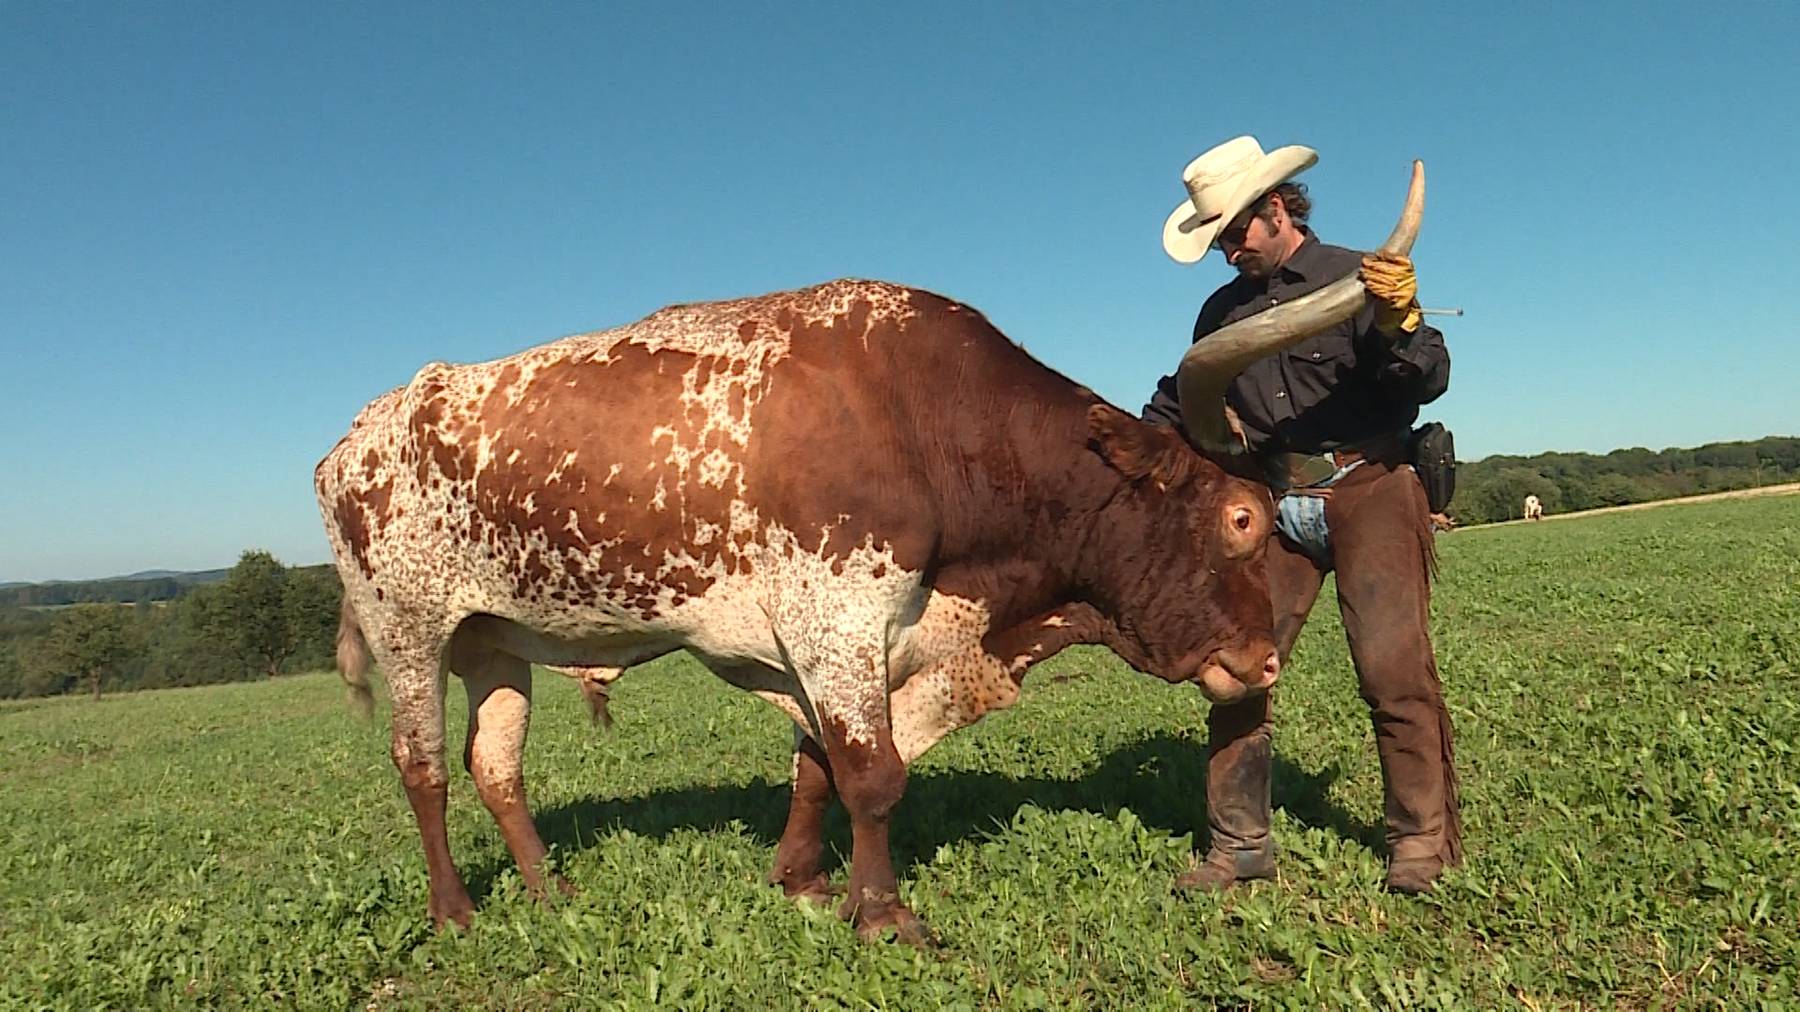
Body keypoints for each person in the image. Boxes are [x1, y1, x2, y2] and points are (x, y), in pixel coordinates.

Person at [1143, 136, 1461, 894]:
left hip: (1371, 484)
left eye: (1234, 233)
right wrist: (1125, 442)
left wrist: (1399, 324)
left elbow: (1429, 377)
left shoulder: (1359, 276)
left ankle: (1419, 844)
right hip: (1274, 503)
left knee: (1392, 669)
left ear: (1276, 206)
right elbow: (1183, 404)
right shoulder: (1219, 314)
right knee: (1236, 671)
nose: (1227, 252)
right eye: (1217, 239)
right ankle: (1239, 845)